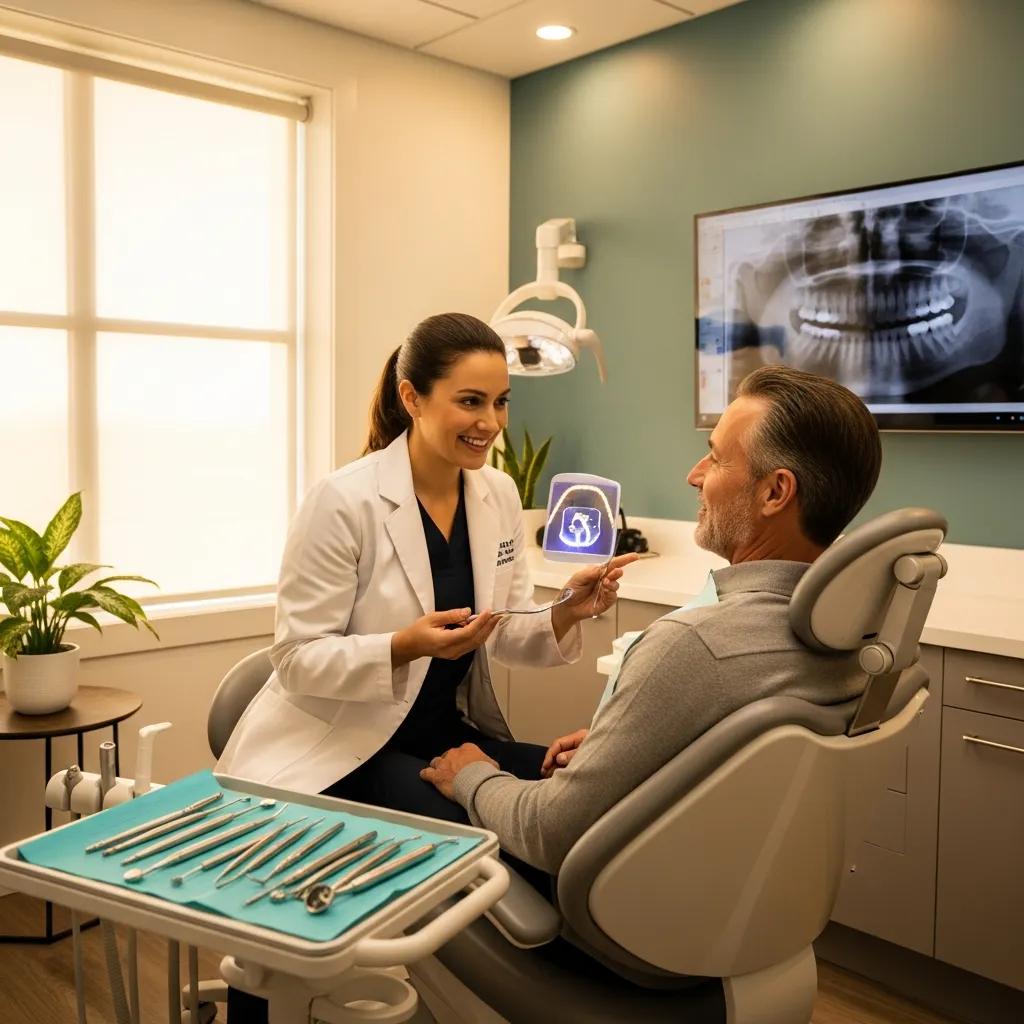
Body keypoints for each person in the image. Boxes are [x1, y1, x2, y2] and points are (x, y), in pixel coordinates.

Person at [420, 365, 883, 874]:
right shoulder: (851, 633)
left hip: (618, 913)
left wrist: (474, 778)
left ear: (775, 493)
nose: (695, 474)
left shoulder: (691, 643)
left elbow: (548, 833)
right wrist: (617, 745)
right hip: (736, 891)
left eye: (715, 457)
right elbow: (721, 764)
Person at [215, 312, 635, 820]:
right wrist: (401, 647)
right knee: (492, 830)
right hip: (348, 747)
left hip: (445, 736)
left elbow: (502, 629)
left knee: (575, 802)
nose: (492, 423)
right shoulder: (342, 501)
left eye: (500, 402)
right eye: (470, 401)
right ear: (412, 398)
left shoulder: (497, 494)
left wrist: (568, 610)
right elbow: (296, 658)